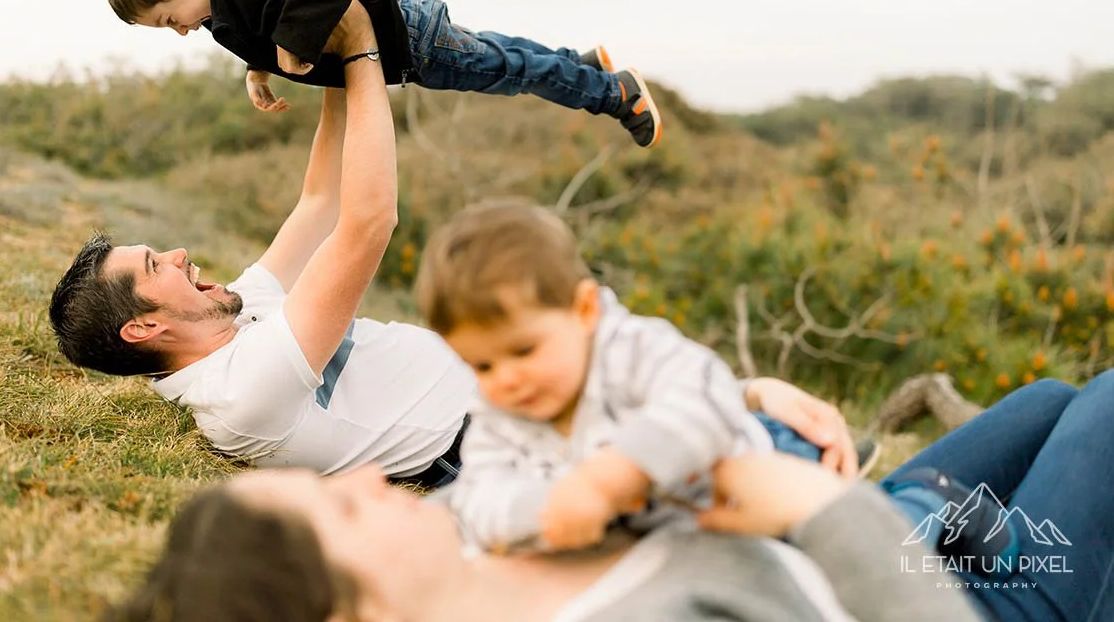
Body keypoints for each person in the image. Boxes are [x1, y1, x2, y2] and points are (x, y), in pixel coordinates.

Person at [104, 373, 1114, 622]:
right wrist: (805, 503)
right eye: (348, 512)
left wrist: (748, 399)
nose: (369, 482)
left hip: (890, 518)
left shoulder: (464, 524)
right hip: (951, 592)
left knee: (1050, 400)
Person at [411, 200, 1017, 576]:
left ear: (586, 309)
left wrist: (607, 478)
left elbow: (705, 393)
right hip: (683, 535)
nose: (506, 380)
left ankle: (925, 498)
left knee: (845, 543)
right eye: (482, 366)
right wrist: (543, 509)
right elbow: (479, 498)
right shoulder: (497, 415)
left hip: (760, 474)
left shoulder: (628, 348)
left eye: (523, 350)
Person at [48, 0, 476, 486]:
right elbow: (368, 224)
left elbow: (319, 201)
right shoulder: (240, 394)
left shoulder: (234, 311)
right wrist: (361, 53)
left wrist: (331, 66)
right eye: (153, 266)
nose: (178, 254)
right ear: (142, 327)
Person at [101, 0, 663, 149]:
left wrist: (290, 53)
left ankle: (614, 93)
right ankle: (579, 62)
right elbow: (273, 0)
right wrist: (258, 66)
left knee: (508, 72)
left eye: (169, 19)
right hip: (407, 20)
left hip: (409, 42)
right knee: (496, 51)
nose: (179, 32)